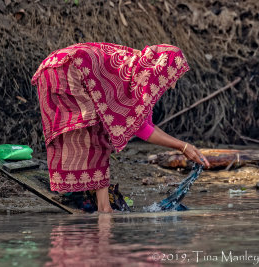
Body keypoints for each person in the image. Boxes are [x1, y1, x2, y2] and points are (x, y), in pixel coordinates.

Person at [31, 42, 210, 213]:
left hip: (59, 67)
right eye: (173, 77)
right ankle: (103, 208)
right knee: (96, 131)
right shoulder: (139, 76)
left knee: (95, 131)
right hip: (64, 70)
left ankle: (84, 195)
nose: (172, 84)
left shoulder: (141, 75)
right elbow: (141, 130)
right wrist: (182, 146)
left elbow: (146, 125)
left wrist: (184, 146)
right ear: (161, 70)